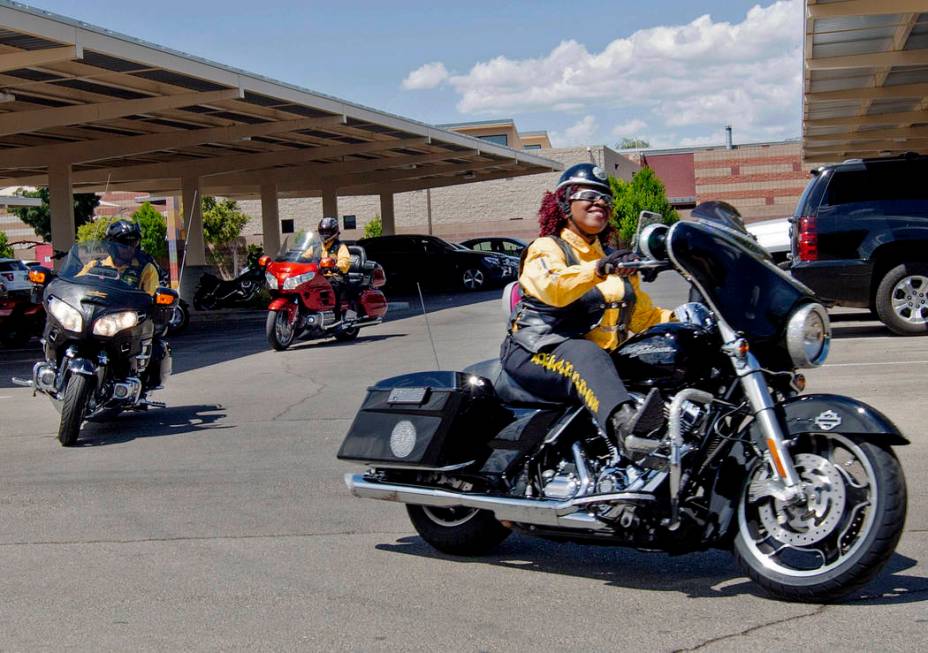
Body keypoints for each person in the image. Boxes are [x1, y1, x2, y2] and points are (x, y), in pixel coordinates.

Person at [501, 163, 673, 453]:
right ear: (565, 203)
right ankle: (628, 432)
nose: (600, 202)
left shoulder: (610, 257)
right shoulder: (547, 248)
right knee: (585, 353)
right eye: (589, 194)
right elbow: (553, 288)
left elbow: (643, 317)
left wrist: (687, 320)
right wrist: (599, 269)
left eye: (606, 197)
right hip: (536, 350)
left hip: (599, 355)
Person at [78, 220, 159, 295]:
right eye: (123, 243)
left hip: (130, 309)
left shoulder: (146, 269)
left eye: (133, 243)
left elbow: (150, 297)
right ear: (111, 245)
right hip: (96, 308)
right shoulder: (94, 265)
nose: (129, 248)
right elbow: (74, 285)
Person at [317, 216, 352, 321]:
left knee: (332, 286)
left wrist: (337, 267)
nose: (324, 234)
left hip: (336, 276)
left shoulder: (340, 247)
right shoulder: (317, 247)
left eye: (327, 231)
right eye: (322, 231)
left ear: (334, 231)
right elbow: (304, 256)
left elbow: (345, 260)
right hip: (319, 276)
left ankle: (336, 317)